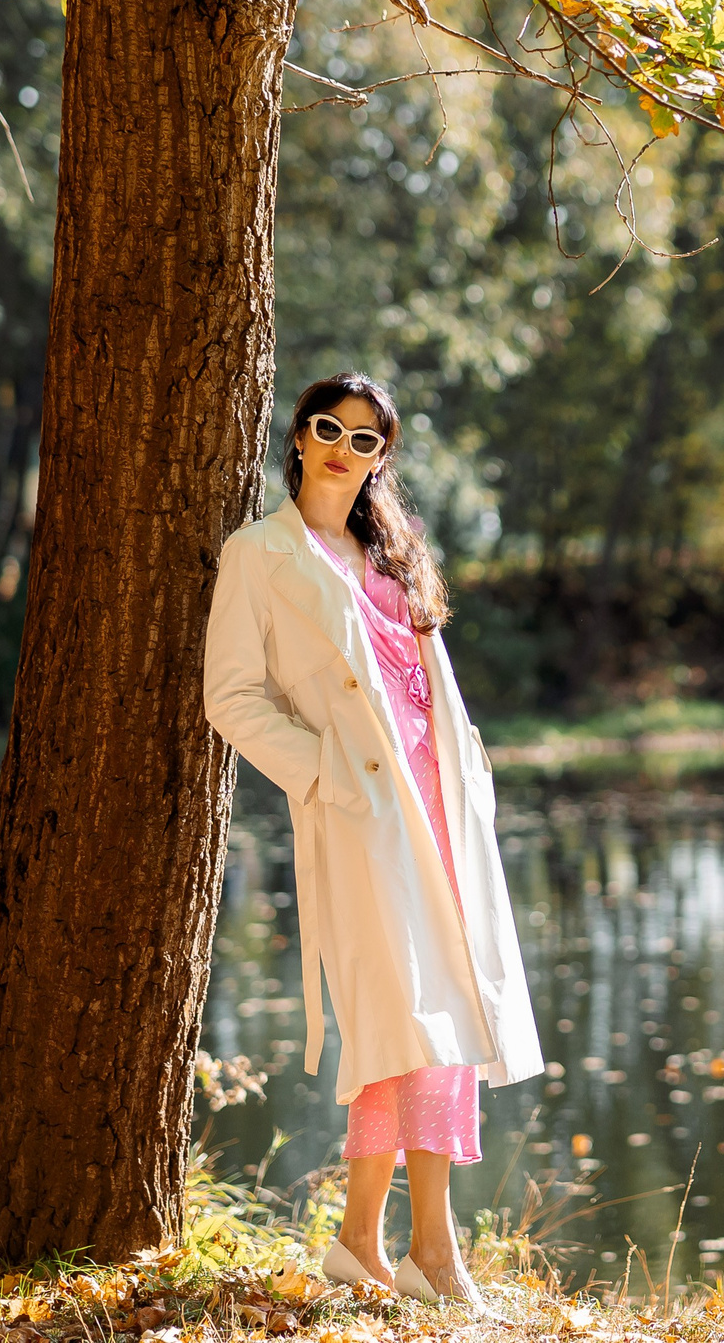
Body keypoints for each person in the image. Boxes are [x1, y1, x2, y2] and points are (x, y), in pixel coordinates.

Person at [203, 373, 542, 1311]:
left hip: (439, 806)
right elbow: (230, 697)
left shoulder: (390, 550)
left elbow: (427, 680)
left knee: (449, 1021)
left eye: (366, 439)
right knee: (400, 1024)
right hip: (360, 813)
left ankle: (393, 1244)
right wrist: (321, 771)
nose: (346, 450)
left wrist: (468, 770)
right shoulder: (260, 554)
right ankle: (405, 1247)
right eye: (330, 430)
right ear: (300, 440)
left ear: (381, 455)